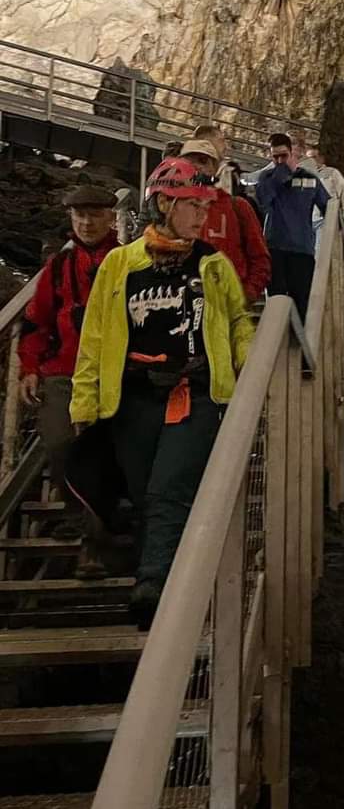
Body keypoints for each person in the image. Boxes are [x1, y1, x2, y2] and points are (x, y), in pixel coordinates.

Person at [69, 159, 254, 627]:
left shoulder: (213, 266)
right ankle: (166, 575)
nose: (201, 216)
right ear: (164, 203)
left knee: (169, 486)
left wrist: (251, 365)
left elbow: (237, 322)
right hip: (133, 397)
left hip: (193, 391)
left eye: (204, 207)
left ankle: (154, 586)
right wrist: (84, 401)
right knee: (143, 492)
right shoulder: (119, 264)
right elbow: (96, 334)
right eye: (193, 205)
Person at [18, 185, 119, 567]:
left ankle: (98, 539)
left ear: (111, 217)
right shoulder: (59, 267)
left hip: (115, 372)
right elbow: (35, 322)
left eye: (94, 214)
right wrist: (29, 367)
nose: (86, 222)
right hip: (64, 369)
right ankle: (87, 528)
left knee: (107, 452)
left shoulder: (128, 261)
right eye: (79, 215)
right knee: (60, 445)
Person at [179, 139, 271, 303]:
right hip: (184, 305)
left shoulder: (237, 207)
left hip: (228, 305)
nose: (197, 167)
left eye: (203, 161)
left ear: (215, 167)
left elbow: (260, 258)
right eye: (189, 162)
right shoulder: (173, 210)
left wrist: (246, 294)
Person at [255, 132, 329, 320]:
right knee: (275, 300)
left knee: (301, 301)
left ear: (292, 153)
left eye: (284, 156)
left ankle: (300, 344)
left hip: (302, 250)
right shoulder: (267, 178)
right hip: (275, 247)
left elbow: (328, 206)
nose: (280, 160)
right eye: (275, 157)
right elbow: (263, 202)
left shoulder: (310, 178)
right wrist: (279, 177)